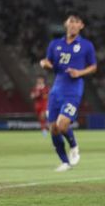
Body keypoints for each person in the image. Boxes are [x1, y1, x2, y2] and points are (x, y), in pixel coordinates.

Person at [39, 14, 97, 172]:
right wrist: (45, 63)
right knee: (53, 128)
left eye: (76, 22)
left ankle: (74, 145)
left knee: (62, 124)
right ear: (65, 24)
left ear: (81, 26)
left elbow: (93, 66)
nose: (73, 25)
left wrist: (79, 73)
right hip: (56, 90)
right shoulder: (55, 44)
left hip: (73, 90)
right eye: (70, 22)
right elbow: (49, 62)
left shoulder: (86, 45)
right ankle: (65, 162)